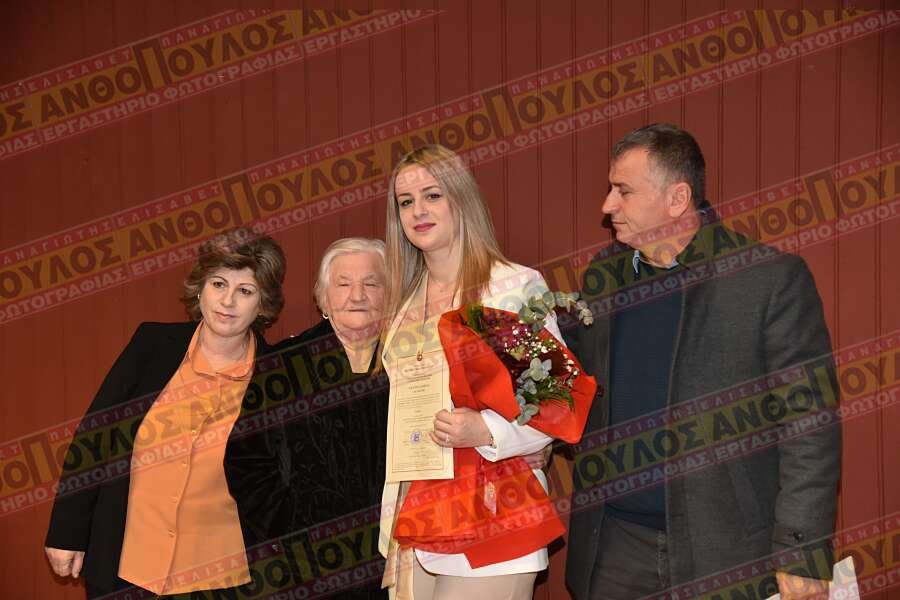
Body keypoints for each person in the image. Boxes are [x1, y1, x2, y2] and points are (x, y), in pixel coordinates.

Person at [563, 123, 841, 600]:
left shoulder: (767, 281)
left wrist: (802, 552)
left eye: (623, 191)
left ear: (677, 198)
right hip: (614, 548)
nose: (607, 205)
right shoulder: (602, 276)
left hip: (726, 554)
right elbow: (578, 384)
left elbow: (810, 425)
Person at [44, 228, 290, 598]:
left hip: (223, 578)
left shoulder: (280, 374)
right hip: (126, 567)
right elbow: (95, 435)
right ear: (200, 289)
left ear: (263, 303)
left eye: (245, 291)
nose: (228, 301)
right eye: (218, 284)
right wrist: (67, 532)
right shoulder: (153, 344)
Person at [378, 144, 564, 600]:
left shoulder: (512, 287)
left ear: (461, 199)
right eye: (406, 202)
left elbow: (555, 399)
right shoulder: (403, 305)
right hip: (419, 518)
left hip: (494, 515)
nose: (418, 211)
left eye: (433, 195)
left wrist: (487, 429)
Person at [276, 238, 390, 598]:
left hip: (395, 554)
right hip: (304, 562)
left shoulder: (413, 360)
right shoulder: (285, 364)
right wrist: (284, 536)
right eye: (343, 284)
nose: (357, 296)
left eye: (371, 283)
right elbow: (248, 462)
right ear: (323, 298)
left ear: (390, 293)